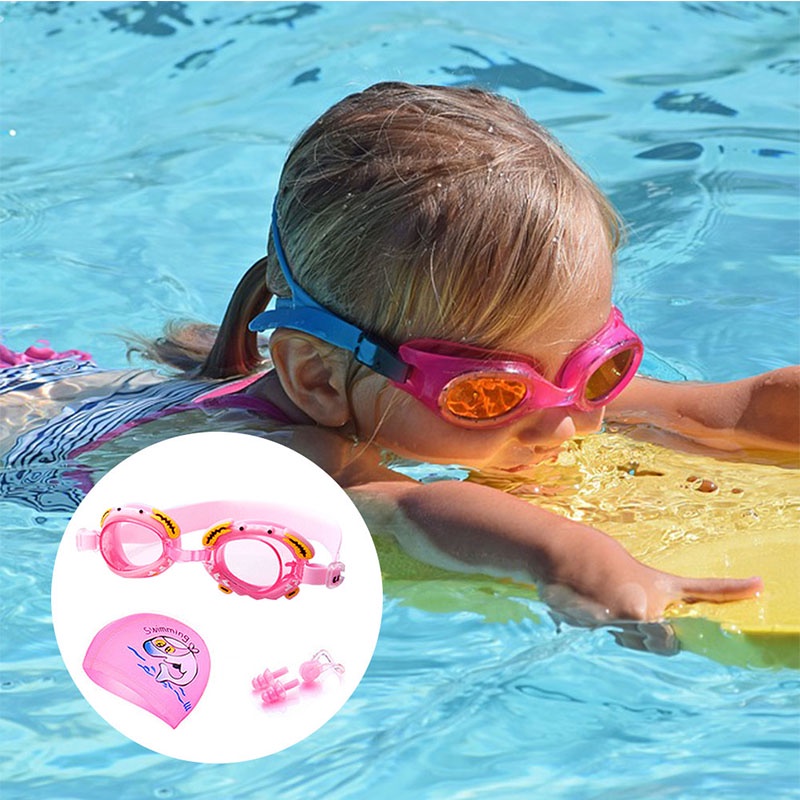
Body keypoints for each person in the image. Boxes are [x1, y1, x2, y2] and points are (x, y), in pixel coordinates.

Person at [3, 82, 797, 625]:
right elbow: (403, 509)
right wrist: (573, 555)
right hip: (37, 444)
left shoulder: (537, 397)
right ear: (316, 377)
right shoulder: (297, 451)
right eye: (488, 396)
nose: (565, 423)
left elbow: (719, 408)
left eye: (602, 366)